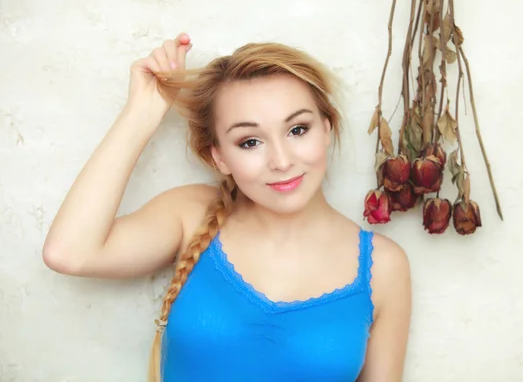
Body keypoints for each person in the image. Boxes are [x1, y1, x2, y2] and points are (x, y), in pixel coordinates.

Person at [42, 32, 412, 381]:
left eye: (297, 129)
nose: (281, 161)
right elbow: (70, 253)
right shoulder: (192, 214)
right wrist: (142, 113)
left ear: (327, 129)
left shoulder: (384, 266)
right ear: (218, 157)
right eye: (250, 141)